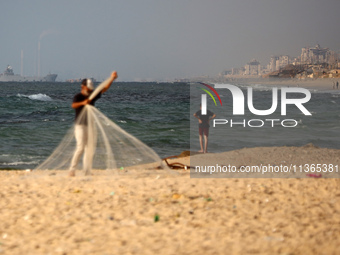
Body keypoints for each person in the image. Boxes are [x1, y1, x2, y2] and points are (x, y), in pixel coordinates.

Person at [69, 71, 118, 176]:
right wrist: (83, 103)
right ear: (83, 87)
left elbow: (104, 89)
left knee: (89, 149)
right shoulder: (78, 96)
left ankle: (87, 171)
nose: (89, 90)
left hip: (90, 125)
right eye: (88, 88)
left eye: (90, 89)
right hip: (80, 126)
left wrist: (112, 79)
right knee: (80, 147)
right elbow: (74, 105)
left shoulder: (92, 95)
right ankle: (72, 170)